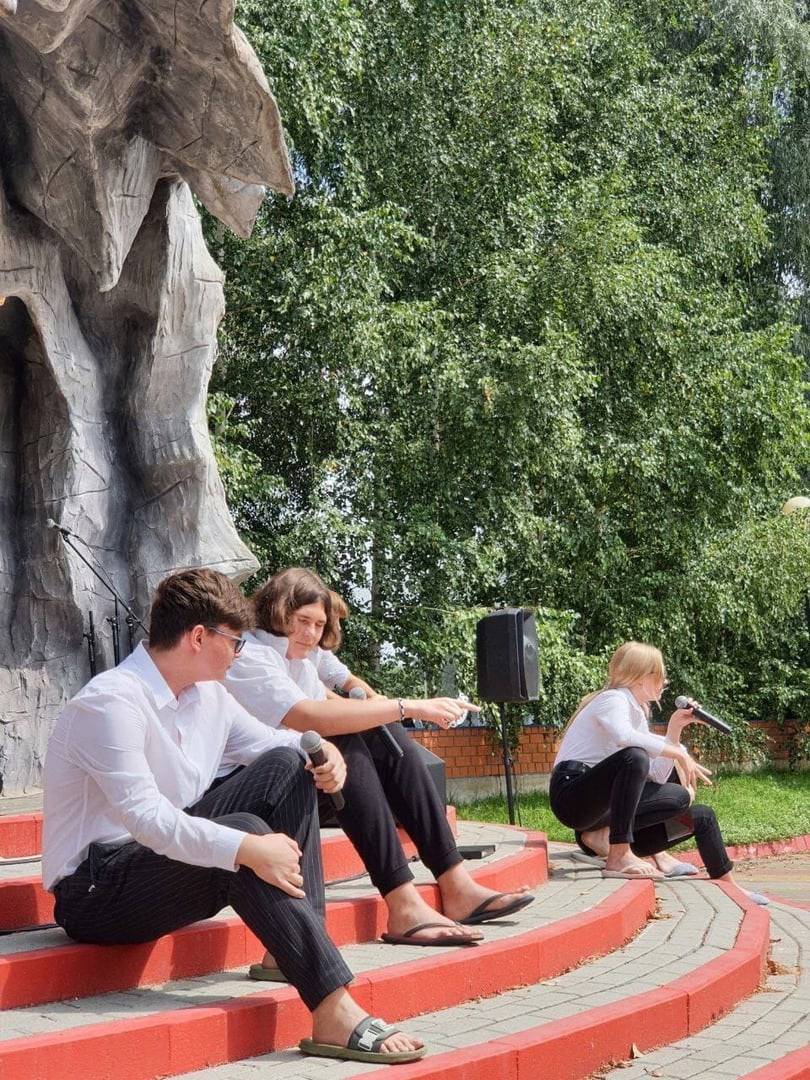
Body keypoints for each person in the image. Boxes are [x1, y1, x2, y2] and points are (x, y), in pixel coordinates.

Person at [42, 568, 426, 1065]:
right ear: (199, 637)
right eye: (236, 641)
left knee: (289, 766)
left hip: (154, 858)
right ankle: (334, 1010)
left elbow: (276, 744)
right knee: (242, 836)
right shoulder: (110, 703)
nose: (240, 653)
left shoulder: (209, 696)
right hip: (96, 890)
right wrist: (247, 847)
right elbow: (150, 821)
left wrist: (320, 751)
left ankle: (294, 945)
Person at [223, 567, 534, 972]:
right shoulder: (251, 654)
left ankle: (456, 882)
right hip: (247, 789)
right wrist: (407, 706)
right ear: (278, 611)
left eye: (318, 625)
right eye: (302, 621)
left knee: (378, 729)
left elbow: (339, 707)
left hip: (298, 777)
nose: (311, 634)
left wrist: (393, 711)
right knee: (348, 739)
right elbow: (307, 716)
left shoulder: (299, 659)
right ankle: (403, 903)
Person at [549, 641, 767, 903]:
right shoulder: (613, 699)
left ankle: (731, 888)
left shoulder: (637, 712)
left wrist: (675, 731)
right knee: (635, 756)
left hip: (603, 814)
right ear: (642, 676)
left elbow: (655, 776)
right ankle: (618, 855)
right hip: (573, 798)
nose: (665, 682)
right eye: (661, 675)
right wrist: (679, 754)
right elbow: (624, 738)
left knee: (694, 810)